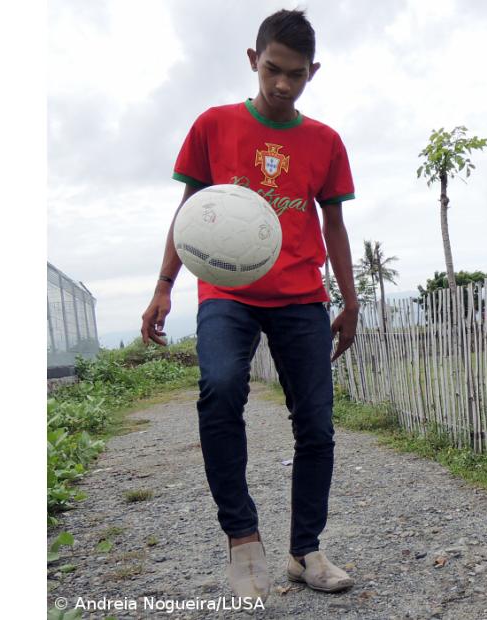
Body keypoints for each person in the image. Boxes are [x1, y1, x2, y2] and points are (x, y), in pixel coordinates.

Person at [139, 8, 359, 600]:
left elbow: (334, 225)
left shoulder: (325, 142)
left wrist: (351, 300)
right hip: (227, 294)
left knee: (316, 424)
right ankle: (242, 537)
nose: (282, 84)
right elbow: (189, 214)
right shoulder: (213, 126)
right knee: (219, 388)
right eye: (272, 69)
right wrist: (164, 283)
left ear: (313, 72)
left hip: (300, 298)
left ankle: (305, 552)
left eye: (296, 75)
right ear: (253, 60)